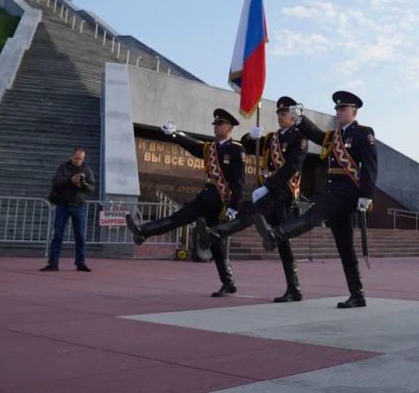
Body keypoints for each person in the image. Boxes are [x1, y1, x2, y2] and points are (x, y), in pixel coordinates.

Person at [256, 91, 377, 309]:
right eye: (337, 109)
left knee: (314, 214)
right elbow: (318, 136)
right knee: (345, 247)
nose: (339, 112)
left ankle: (277, 234)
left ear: (354, 111)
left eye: (342, 109)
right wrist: (301, 119)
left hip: (347, 192)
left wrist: (366, 195)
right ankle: (357, 294)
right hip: (335, 191)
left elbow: (369, 165)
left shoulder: (363, 133)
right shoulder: (335, 136)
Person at [197, 96, 308, 303]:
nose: (280, 117)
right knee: (282, 241)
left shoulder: (299, 138)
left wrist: (268, 186)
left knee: (251, 212)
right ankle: (294, 288)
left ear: (292, 117)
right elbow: (248, 145)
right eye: (278, 114)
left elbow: (292, 167)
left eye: (283, 114)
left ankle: (215, 233)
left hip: (283, 190)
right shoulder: (272, 137)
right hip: (269, 191)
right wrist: (251, 135)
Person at [125, 109, 245, 297]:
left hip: (220, 201)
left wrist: (234, 206)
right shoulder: (210, 149)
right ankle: (228, 282)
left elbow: (239, 180)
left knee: (182, 220)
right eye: (214, 125)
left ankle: (144, 231)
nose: (215, 128)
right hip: (207, 197)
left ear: (229, 128)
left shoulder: (236, 149)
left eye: (219, 125)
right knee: (215, 243)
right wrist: (174, 134)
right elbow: (193, 146)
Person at [43, 148, 96, 272]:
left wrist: (84, 185)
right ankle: (53, 263)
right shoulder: (63, 167)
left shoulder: (86, 169)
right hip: (63, 204)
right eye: (77, 158)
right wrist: (70, 180)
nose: (79, 161)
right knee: (57, 234)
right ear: (71, 157)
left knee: (81, 236)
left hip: (79, 205)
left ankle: (80, 263)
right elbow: (56, 181)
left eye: (81, 159)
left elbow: (93, 188)